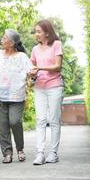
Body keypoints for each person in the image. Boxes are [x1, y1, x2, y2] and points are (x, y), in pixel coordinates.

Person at [0, 29, 33, 163]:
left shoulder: (22, 57)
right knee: (2, 125)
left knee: (15, 121)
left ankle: (20, 149)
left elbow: (31, 72)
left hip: (17, 96)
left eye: (4, 38)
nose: (1, 40)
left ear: (11, 43)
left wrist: (32, 74)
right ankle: (7, 153)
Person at [30, 19, 64, 165]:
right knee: (41, 120)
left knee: (54, 120)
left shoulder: (56, 45)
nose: (36, 34)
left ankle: (53, 153)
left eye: (38, 31)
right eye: (35, 31)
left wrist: (40, 68)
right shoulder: (35, 49)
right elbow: (32, 68)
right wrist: (31, 74)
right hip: (39, 88)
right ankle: (40, 153)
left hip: (55, 86)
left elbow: (57, 66)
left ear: (47, 32)